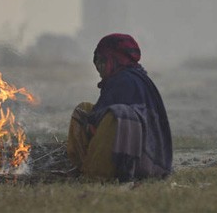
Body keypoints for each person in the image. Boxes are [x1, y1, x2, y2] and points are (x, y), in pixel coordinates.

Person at [67, 33, 172, 182]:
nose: (99, 68)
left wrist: (89, 125)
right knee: (83, 108)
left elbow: (108, 122)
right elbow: (98, 116)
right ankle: (83, 165)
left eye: (102, 61)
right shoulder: (126, 77)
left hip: (141, 159)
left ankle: (95, 174)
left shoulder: (125, 81)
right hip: (138, 153)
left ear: (113, 60)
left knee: (117, 116)